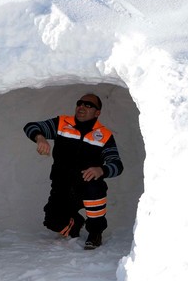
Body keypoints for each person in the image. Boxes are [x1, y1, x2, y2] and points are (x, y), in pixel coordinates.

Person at [23, 94, 123, 249]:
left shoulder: (104, 135)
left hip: (88, 188)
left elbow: (117, 165)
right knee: (52, 222)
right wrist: (40, 138)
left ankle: (95, 232)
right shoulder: (62, 123)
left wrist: (101, 169)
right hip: (62, 187)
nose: (82, 107)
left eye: (88, 105)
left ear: (97, 112)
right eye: (80, 103)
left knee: (94, 188)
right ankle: (75, 224)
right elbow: (30, 126)